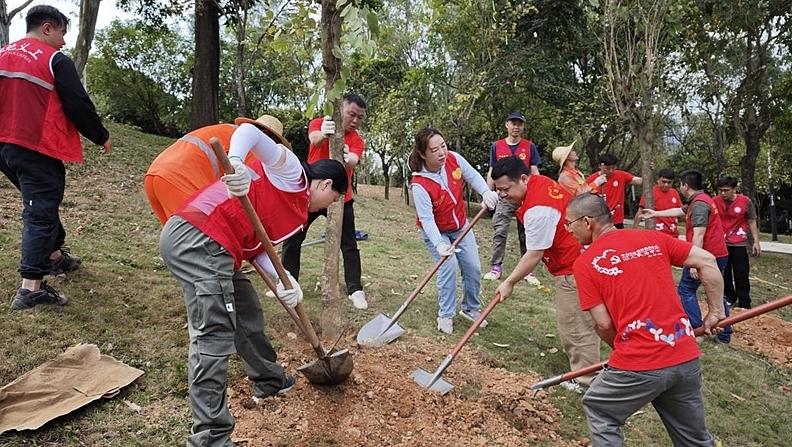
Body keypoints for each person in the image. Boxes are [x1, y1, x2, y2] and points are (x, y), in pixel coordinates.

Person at [159, 124, 348, 447]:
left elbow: (259, 249)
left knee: (246, 308)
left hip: (220, 248)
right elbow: (249, 132)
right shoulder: (292, 172)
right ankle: (211, 438)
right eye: (332, 200)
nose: (328, 207)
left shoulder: (293, 213)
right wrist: (238, 163)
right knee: (213, 336)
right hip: (199, 237)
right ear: (327, 184)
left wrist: (285, 283)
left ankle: (269, 380)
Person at [566, 193, 725, 447]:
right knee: (693, 439)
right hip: (684, 356)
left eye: (569, 224)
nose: (568, 230)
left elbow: (604, 324)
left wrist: (622, 348)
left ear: (587, 222)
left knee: (599, 407)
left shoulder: (586, 263)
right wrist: (716, 310)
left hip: (639, 362)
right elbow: (707, 260)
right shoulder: (652, 238)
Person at [0, 5, 111, 310]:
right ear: (48, 28)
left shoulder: (2, 54)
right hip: (35, 146)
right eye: (62, 32)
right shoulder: (54, 60)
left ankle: (54, 256)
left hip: (4, 147)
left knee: (40, 201)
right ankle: (31, 289)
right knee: (40, 209)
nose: (63, 41)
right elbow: (78, 103)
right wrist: (101, 135)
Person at [491, 156, 600, 390]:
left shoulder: (538, 210)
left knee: (575, 325)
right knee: (585, 322)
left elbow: (534, 255)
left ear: (522, 178)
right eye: (498, 190)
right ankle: (587, 369)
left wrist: (509, 282)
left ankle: (586, 380)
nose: (502, 194)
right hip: (582, 260)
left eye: (505, 189)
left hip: (573, 269)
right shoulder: (540, 182)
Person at [281, 93, 369, 309]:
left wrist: (347, 157)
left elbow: (353, 161)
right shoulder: (320, 122)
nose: (356, 120)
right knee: (293, 237)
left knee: (348, 244)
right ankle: (287, 282)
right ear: (340, 109)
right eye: (352, 114)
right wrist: (324, 133)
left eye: (360, 117)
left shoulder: (356, 139)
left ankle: (355, 289)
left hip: (340, 198)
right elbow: (313, 139)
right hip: (311, 195)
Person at [409, 128, 499, 334]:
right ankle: (445, 314)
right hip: (437, 233)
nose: (442, 153)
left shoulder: (453, 159)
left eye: (443, 146)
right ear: (423, 154)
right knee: (448, 267)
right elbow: (427, 220)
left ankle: (470, 308)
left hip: (460, 227)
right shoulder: (419, 184)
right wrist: (440, 244)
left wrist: (485, 192)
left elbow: (473, 176)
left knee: (473, 268)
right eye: (434, 150)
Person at [640, 169, 732, 343]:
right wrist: (655, 213)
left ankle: (697, 329)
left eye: (680, 184)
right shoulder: (699, 200)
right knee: (717, 293)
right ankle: (724, 334)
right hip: (717, 254)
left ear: (685, 185)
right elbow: (680, 211)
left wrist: (694, 264)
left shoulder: (699, 205)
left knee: (686, 290)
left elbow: (699, 234)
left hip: (708, 256)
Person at [144, 115, 290, 224]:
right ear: (265, 134)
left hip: (156, 175)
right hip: (179, 178)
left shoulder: (227, 131)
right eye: (273, 143)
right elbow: (251, 192)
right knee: (201, 240)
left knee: (182, 243)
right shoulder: (250, 147)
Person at [484, 112, 541, 285]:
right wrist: (488, 193)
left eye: (519, 124)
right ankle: (496, 267)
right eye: (513, 123)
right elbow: (492, 171)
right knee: (500, 230)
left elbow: (534, 171)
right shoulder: (497, 146)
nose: (516, 127)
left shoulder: (529, 146)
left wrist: (537, 193)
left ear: (523, 127)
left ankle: (528, 271)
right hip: (504, 196)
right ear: (506, 125)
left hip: (525, 197)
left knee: (527, 233)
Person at [714, 177, 761, 309]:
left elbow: (751, 220)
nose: (723, 193)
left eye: (726, 190)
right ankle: (729, 296)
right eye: (720, 190)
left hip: (739, 243)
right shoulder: (715, 201)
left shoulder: (745, 201)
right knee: (724, 272)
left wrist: (756, 242)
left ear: (734, 189)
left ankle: (744, 302)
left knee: (741, 273)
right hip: (721, 243)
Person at [586, 153, 642, 229]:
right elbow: (583, 196)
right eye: (608, 168)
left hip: (617, 220)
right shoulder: (592, 179)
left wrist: (648, 171)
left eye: (613, 168)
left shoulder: (621, 175)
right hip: (598, 220)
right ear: (600, 166)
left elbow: (639, 181)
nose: (611, 171)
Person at [632, 168, 682, 237]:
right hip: (656, 233)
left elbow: (681, 211)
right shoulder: (650, 193)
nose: (666, 185)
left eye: (669, 182)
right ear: (658, 180)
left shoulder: (675, 193)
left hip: (673, 234)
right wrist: (635, 228)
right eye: (663, 182)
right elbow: (641, 211)